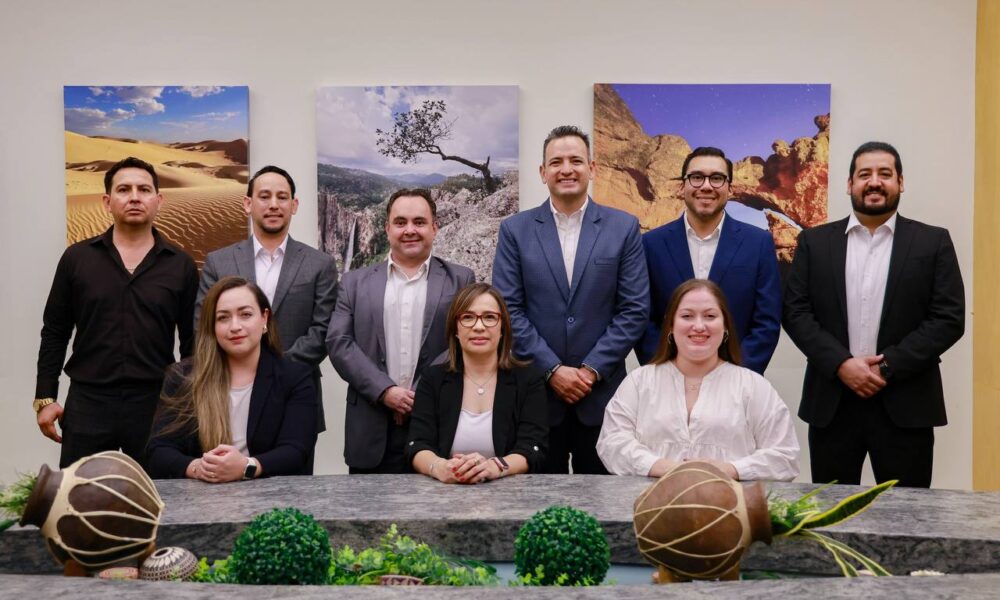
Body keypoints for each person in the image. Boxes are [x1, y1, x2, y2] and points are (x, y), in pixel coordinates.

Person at [783, 141, 965, 488]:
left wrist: (886, 367)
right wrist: (841, 364)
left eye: (885, 174)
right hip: (832, 403)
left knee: (907, 514)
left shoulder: (933, 242)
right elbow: (795, 312)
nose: (875, 182)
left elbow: (948, 318)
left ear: (901, 182)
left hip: (906, 403)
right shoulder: (814, 242)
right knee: (832, 510)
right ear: (849, 184)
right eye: (864, 174)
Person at [492, 125, 649, 474]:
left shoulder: (623, 227)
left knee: (604, 501)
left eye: (576, 161)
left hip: (602, 399)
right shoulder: (515, 230)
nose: (566, 169)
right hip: (535, 398)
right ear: (542, 172)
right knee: (539, 501)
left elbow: (634, 310)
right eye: (556, 162)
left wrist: (590, 370)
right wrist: (552, 369)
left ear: (592, 168)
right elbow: (508, 310)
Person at [34, 156, 198, 467]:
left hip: (157, 403)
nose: (134, 197)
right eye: (124, 189)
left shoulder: (181, 265)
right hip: (88, 403)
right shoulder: (76, 259)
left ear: (158, 200)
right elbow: (55, 331)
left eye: (144, 189)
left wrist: (191, 401)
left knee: (162, 494)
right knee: (81, 494)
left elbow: (193, 342)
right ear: (107, 202)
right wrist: (45, 397)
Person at [197, 165, 337, 472]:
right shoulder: (219, 262)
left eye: (282, 197)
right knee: (223, 484)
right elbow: (203, 323)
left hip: (295, 397)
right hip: (226, 395)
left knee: (293, 488)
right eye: (264, 196)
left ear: (294, 205)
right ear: (248, 204)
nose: (274, 204)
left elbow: (323, 330)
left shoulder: (320, 264)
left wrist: (275, 370)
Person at [327, 188, 475, 473]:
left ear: (435, 227)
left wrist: (420, 394)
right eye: (400, 222)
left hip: (436, 422)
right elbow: (339, 342)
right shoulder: (353, 282)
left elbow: (464, 342)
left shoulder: (461, 279)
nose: (410, 230)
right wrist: (385, 391)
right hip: (370, 424)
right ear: (387, 228)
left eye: (419, 222)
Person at [597, 279, 799, 481]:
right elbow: (611, 443)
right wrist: (666, 468)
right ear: (671, 325)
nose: (699, 326)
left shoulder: (754, 386)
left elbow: (785, 456)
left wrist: (731, 469)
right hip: (649, 499)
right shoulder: (639, 382)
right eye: (687, 316)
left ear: (725, 326)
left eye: (710, 316)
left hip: (730, 499)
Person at [147, 277, 317, 481]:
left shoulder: (295, 377)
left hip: (269, 495)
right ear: (212, 326)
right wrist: (198, 468)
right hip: (201, 493)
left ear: (264, 318)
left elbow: (296, 450)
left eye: (245, 314)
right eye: (223, 318)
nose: (235, 326)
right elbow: (159, 450)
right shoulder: (182, 376)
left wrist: (246, 467)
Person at [638, 147, 781, 374]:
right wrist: (668, 372)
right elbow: (643, 318)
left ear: (729, 188)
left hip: (737, 380)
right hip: (667, 379)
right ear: (682, 186)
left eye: (716, 178)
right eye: (696, 177)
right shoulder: (650, 244)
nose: (706, 186)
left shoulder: (759, 243)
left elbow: (767, 321)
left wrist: (735, 376)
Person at [407, 283, 548, 483]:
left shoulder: (529, 379)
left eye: (489, 317)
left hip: (511, 494)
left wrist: (494, 467)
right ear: (455, 329)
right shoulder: (432, 379)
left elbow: (533, 447)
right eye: (468, 317)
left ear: (503, 327)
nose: (479, 326)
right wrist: (440, 468)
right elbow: (417, 444)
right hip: (444, 493)